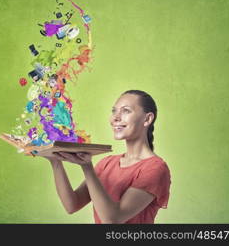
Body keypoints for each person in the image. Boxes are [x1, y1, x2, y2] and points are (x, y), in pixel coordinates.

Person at [41, 90, 171, 224]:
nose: (115, 117)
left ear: (147, 119)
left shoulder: (155, 169)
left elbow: (113, 219)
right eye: (114, 111)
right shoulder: (107, 163)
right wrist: (55, 161)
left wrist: (87, 167)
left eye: (126, 111)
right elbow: (72, 205)